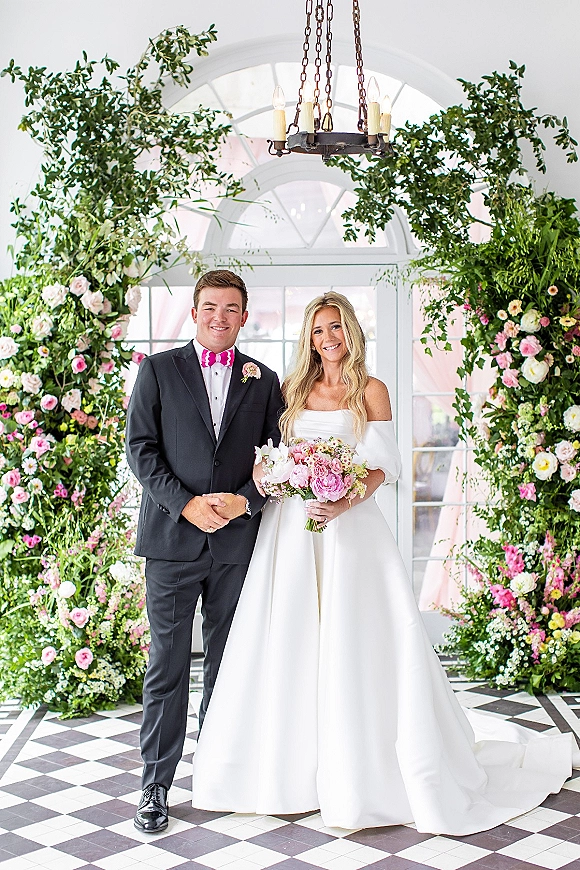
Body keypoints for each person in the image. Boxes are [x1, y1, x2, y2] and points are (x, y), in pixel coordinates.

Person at [191, 291, 576, 835]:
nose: (330, 339)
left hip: (350, 532)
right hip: (292, 535)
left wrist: (342, 499)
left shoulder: (371, 390)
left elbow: (383, 465)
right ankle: (292, 773)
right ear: (310, 337)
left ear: (352, 333)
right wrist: (271, 480)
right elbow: (274, 456)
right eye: (320, 329)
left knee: (355, 640)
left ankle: (363, 774)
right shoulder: (290, 390)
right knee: (293, 638)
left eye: (338, 328)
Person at [126, 269, 283, 833]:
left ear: (244, 316)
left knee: (228, 661)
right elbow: (140, 451)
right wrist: (187, 505)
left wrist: (244, 502)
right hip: (171, 542)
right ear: (195, 312)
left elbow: (276, 459)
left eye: (231, 309)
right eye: (210, 307)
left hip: (237, 544)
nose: (220, 317)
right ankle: (155, 785)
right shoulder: (158, 371)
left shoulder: (264, 381)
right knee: (167, 665)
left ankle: (219, 773)